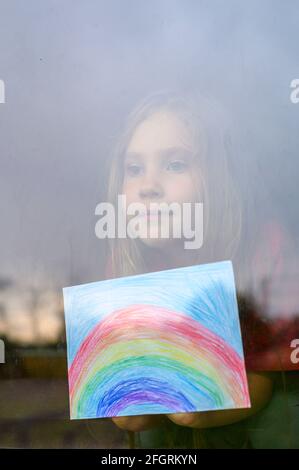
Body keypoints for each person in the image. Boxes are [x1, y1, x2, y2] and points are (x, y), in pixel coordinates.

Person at [102, 89, 294, 447]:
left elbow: (281, 363)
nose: (148, 186)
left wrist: (205, 394)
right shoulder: (126, 265)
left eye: (175, 164)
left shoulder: (266, 248)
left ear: (219, 181)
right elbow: (131, 409)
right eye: (134, 169)